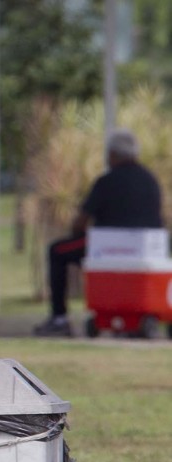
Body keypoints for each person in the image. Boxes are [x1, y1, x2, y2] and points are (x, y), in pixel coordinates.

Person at [34, 128, 163, 337]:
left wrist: (78, 232)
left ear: (112, 154)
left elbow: (81, 222)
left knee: (57, 251)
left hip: (107, 247)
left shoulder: (107, 181)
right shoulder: (150, 181)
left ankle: (59, 318)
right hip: (147, 249)